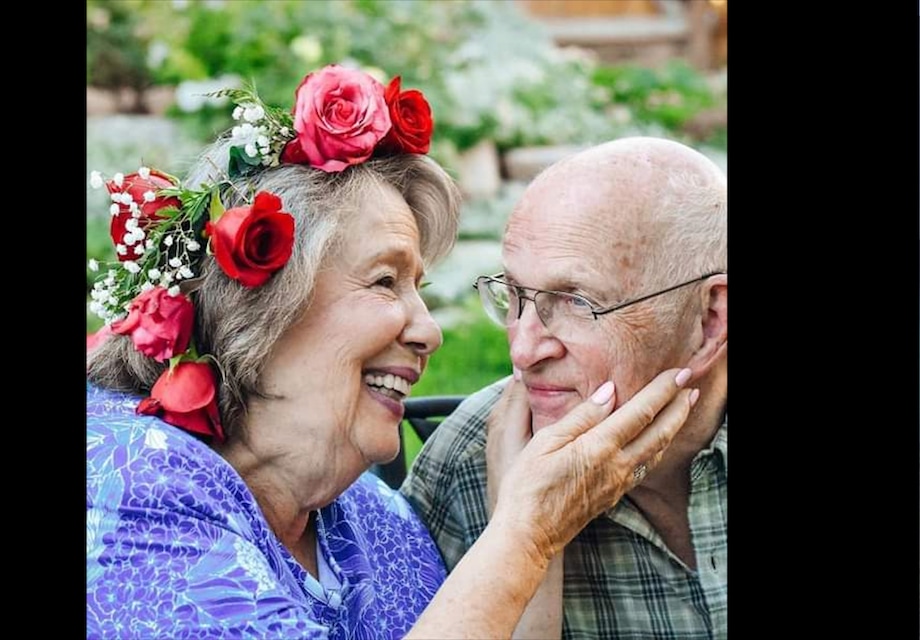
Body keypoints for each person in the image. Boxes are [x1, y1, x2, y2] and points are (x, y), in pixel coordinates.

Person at [86, 66, 698, 639]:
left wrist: (537, 533)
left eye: (420, 289)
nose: (429, 332)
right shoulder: (127, 478)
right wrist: (527, 532)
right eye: (385, 281)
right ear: (258, 307)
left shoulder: (375, 522)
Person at [400, 136, 728, 639]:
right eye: (513, 294)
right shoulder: (466, 463)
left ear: (708, 321)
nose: (523, 350)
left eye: (576, 302)